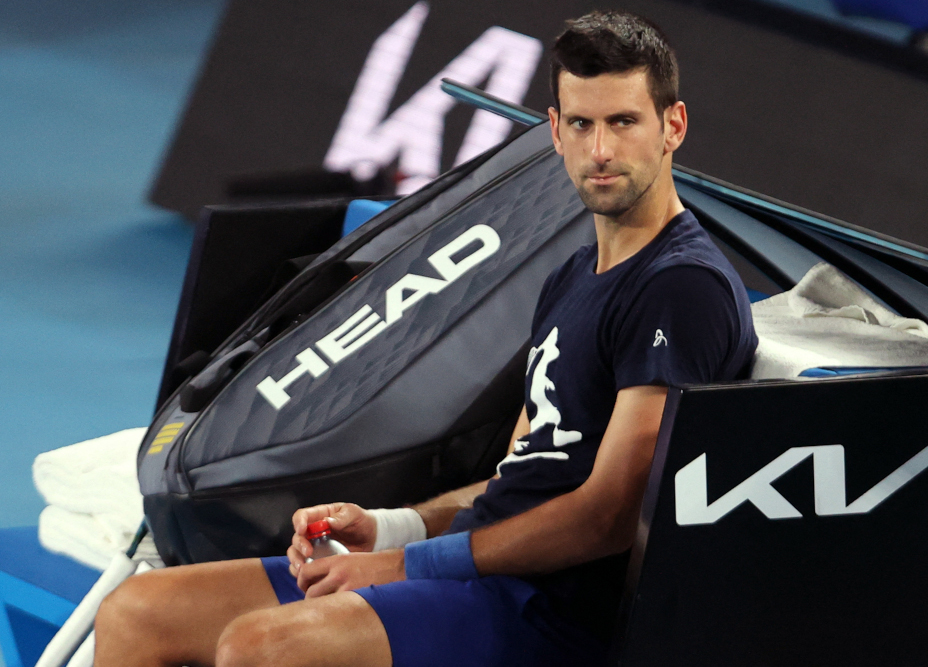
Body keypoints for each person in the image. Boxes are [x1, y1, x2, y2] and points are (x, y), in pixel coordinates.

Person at [94, 10, 757, 667]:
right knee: (140, 608)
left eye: (623, 122)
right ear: (554, 132)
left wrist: (403, 564)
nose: (601, 150)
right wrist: (389, 527)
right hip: (479, 575)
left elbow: (607, 515)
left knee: (261, 646)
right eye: (582, 124)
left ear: (673, 126)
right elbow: (515, 479)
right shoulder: (572, 275)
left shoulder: (681, 288)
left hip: (552, 614)